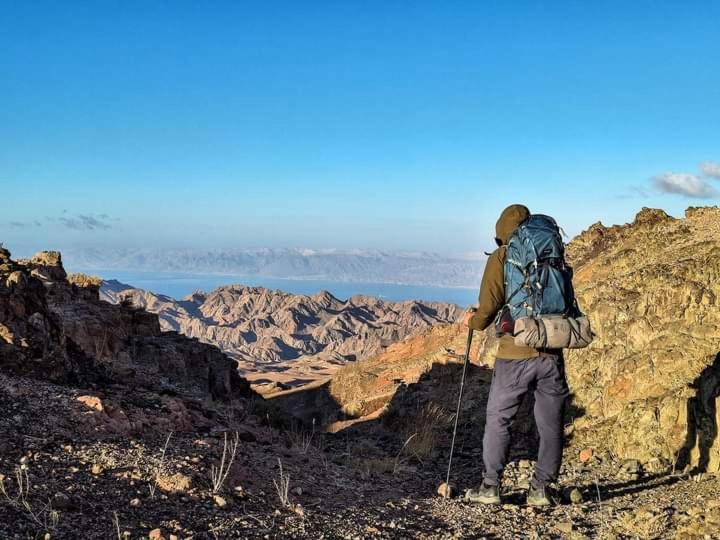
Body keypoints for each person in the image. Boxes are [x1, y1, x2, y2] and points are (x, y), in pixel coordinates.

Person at [461, 204, 569, 507]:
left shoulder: (504, 256)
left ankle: (490, 486)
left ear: (501, 232)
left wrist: (474, 322)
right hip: (551, 349)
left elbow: (488, 304)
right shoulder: (551, 255)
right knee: (550, 423)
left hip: (514, 353)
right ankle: (542, 490)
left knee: (500, 418)